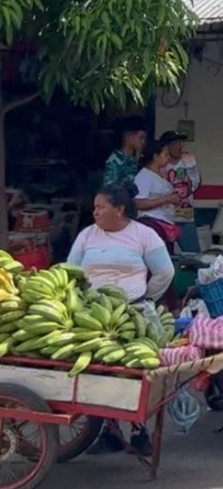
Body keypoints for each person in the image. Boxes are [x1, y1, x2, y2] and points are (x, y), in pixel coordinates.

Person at [67, 183, 175, 456]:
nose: (95, 212)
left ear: (120, 209)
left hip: (132, 314)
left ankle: (139, 431)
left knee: (134, 373)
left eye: (101, 207)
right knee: (102, 370)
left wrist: (145, 298)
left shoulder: (143, 235)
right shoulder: (87, 236)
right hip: (94, 315)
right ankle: (109, 431)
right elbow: (70, 272)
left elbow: (164, 271)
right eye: (94, 207)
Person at [134, 140, 181, 254]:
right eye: (165, 154)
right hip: (152, 224)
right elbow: (138, 203)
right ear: (155, 156)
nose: (168, 158)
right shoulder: (145, 176)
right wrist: (167, 199)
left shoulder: (160, 175)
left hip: (164, 224)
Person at [159, 131, 202, 253]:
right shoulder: (160, 163)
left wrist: (183, 191)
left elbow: (196, 182)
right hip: (164, 218)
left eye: (180, 143)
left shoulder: (188, 159)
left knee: (193, 253)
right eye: (176, 143)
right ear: (166, 146)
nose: (180, 146)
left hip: (185, 216)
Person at [103, 117, 146, 188]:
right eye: (140, 138)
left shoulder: (136, 159)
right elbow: (109, 189)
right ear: (129, 137)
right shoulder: (114, 160)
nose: (143, 142)